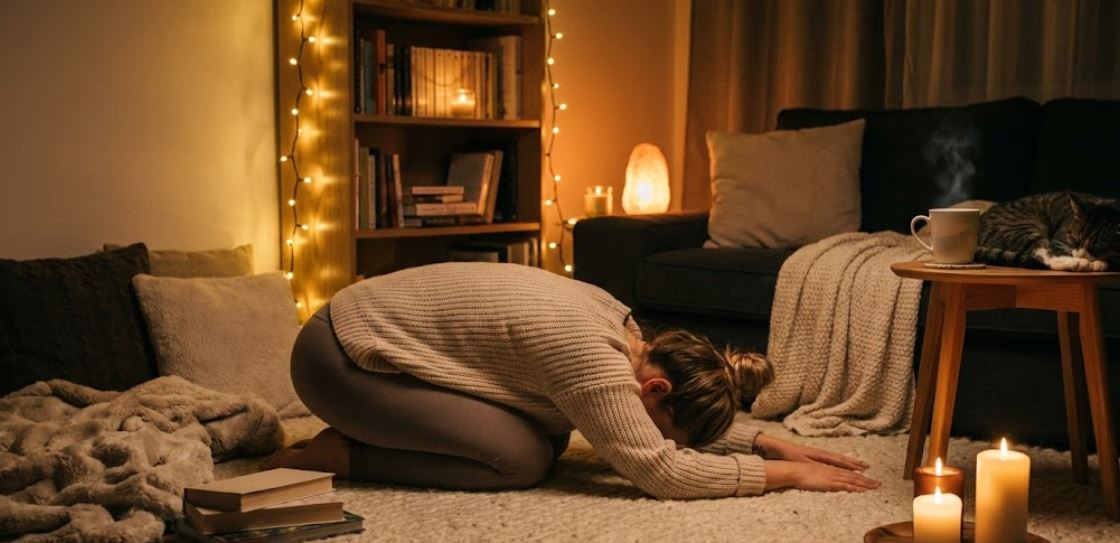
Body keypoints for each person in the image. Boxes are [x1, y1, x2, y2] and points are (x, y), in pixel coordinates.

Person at [267, 262, 879, 498]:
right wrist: (789, 474)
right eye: (668, 428)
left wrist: (761, 441)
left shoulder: (630, 334)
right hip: (337, 359)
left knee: (553, 437)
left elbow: (651, 440)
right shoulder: (592, 357)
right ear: (655, 392)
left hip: (374, 341)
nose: (664, 440)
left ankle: (373, 432)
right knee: (521, 460)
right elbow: (660, 471)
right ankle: (341, 454)